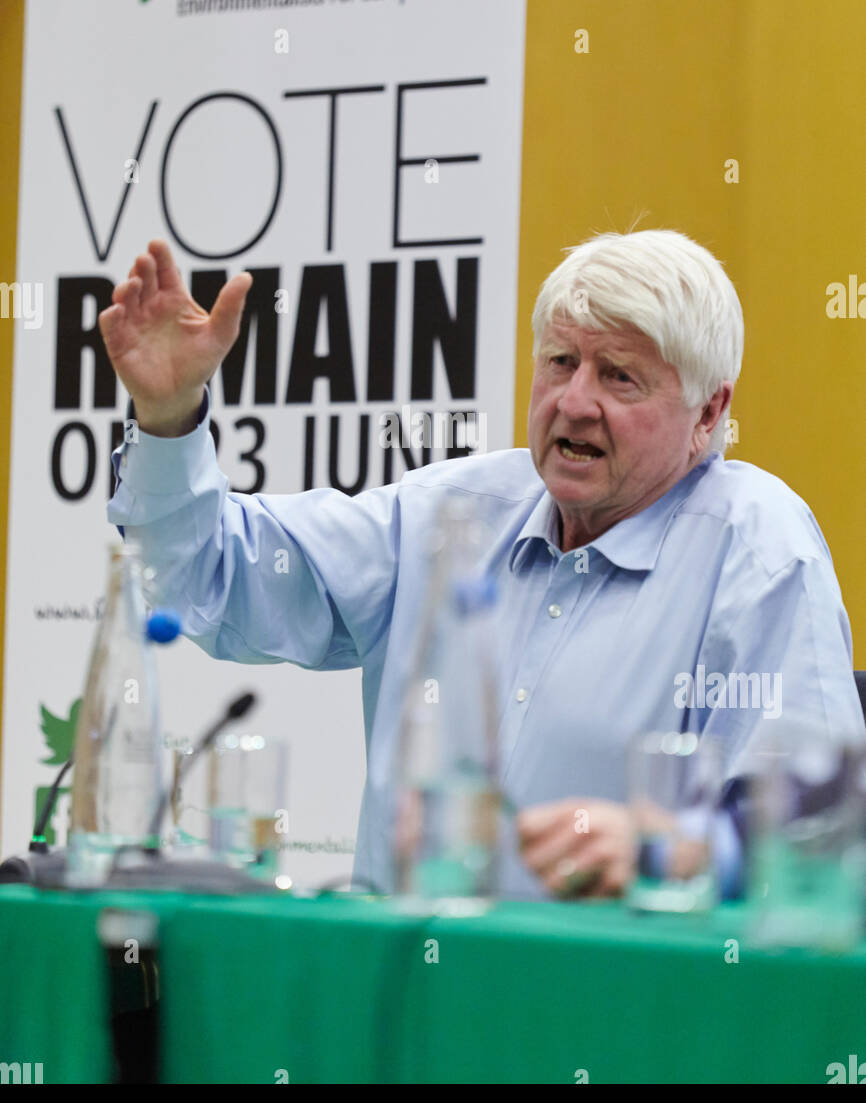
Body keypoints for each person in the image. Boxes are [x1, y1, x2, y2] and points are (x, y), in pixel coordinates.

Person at [101, 229, 865, 899]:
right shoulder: (451, 515)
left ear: (708, 413)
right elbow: (206, 576)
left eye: (619, 376)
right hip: (404, 1016)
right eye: (561, 361)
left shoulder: (758, 548)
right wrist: (169, 420)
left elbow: (823, 833)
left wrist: (670, 849)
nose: (574, 402)